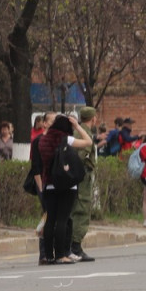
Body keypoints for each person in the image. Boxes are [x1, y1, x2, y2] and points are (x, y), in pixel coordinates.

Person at [37, 113, 93, 264]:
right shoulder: (65, 139)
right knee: (62, 219)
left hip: (48, 183)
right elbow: (88, 141)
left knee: (50, 220)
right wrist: (77, 126)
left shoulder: (42, 140)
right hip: (66, 184)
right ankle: (61, 254)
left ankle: (48, 255)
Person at [68, 106, 100, 262]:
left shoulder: (79, 132)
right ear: (93, 118)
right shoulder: (83, 133)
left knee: (76, 209)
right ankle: (75, 246)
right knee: (81, 210)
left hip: (79, 178)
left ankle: (73, 245)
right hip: (82, 178)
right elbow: (81, 156)